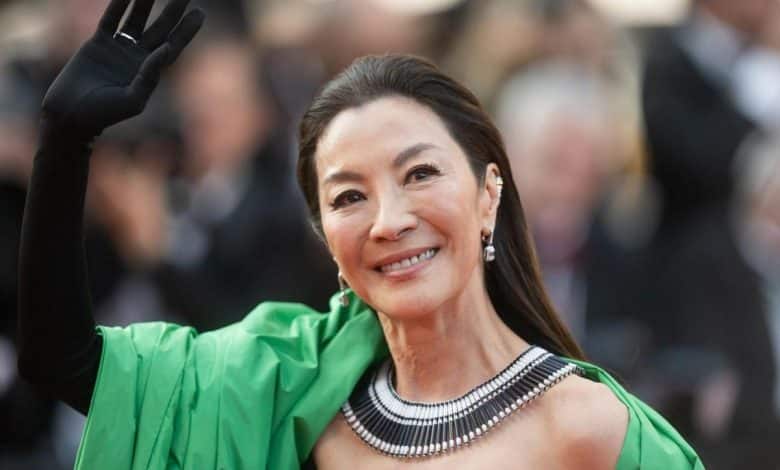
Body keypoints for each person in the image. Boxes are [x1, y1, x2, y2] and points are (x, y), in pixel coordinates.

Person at [17, 0, 703, 468]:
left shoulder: (587, 426)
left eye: (421, 174)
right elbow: (66, 363)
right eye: (349, 195)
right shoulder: (283, 388)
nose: (388, 220)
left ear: (489, 193)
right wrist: (66, 146)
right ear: (326, 234)